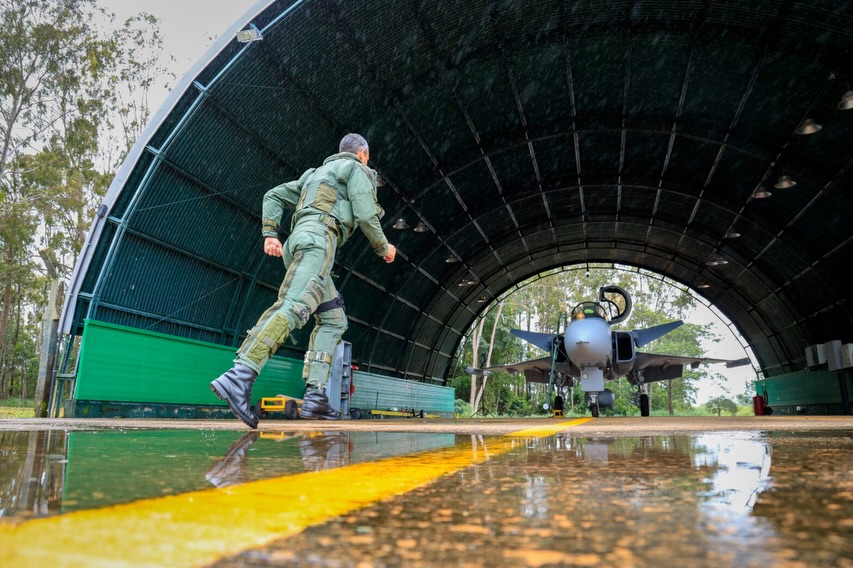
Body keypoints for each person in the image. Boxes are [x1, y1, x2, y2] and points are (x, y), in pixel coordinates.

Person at [210, 133, 396, 427]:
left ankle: (316, 395)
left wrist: (271, 233)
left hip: (301, 241)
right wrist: (384, 247)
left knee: (334, 319)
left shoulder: (314, 175)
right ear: (363, 154)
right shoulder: (355, 169)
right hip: (319, 242)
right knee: (293, 307)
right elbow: (364, 213)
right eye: (367, 158)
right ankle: (240, 375)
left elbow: (273, 195)